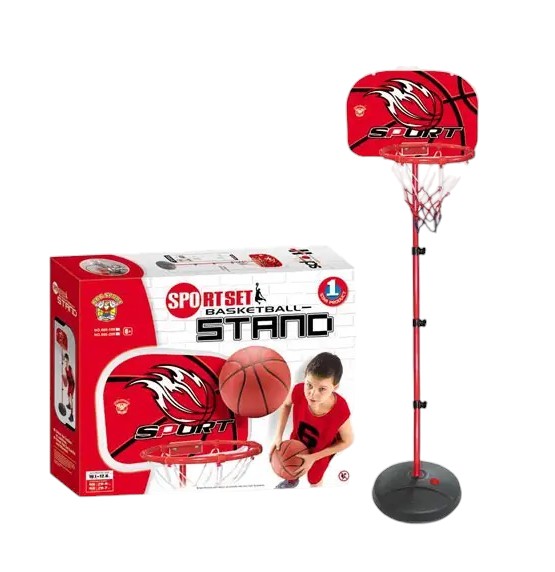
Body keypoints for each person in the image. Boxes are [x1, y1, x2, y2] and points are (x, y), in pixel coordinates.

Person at [270, 352, 353, 487]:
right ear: (305, 377)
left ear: (335, 387)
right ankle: (291, 480)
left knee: (314, 480)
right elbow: (286, 405)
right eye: (309, 385)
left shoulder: (340, 409)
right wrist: (278, 436)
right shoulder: (298, 390)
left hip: (320, 451)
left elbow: (347, 441)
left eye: (322, 389)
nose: (312, 394)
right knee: (289, 465)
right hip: (297, 440)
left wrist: (314, 458)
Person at [62, 353, 76, 423]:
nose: (65, 360)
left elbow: (72, 375)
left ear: (67, 359)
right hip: (70, 383)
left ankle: (72, 415)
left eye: (65, 359)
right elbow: (68, 377)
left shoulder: (69, 367)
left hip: (72, 383)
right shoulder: (65, 368)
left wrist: (74, 383)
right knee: (68, 395)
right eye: (64, 359)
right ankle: (69, 405)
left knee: (70, 397)